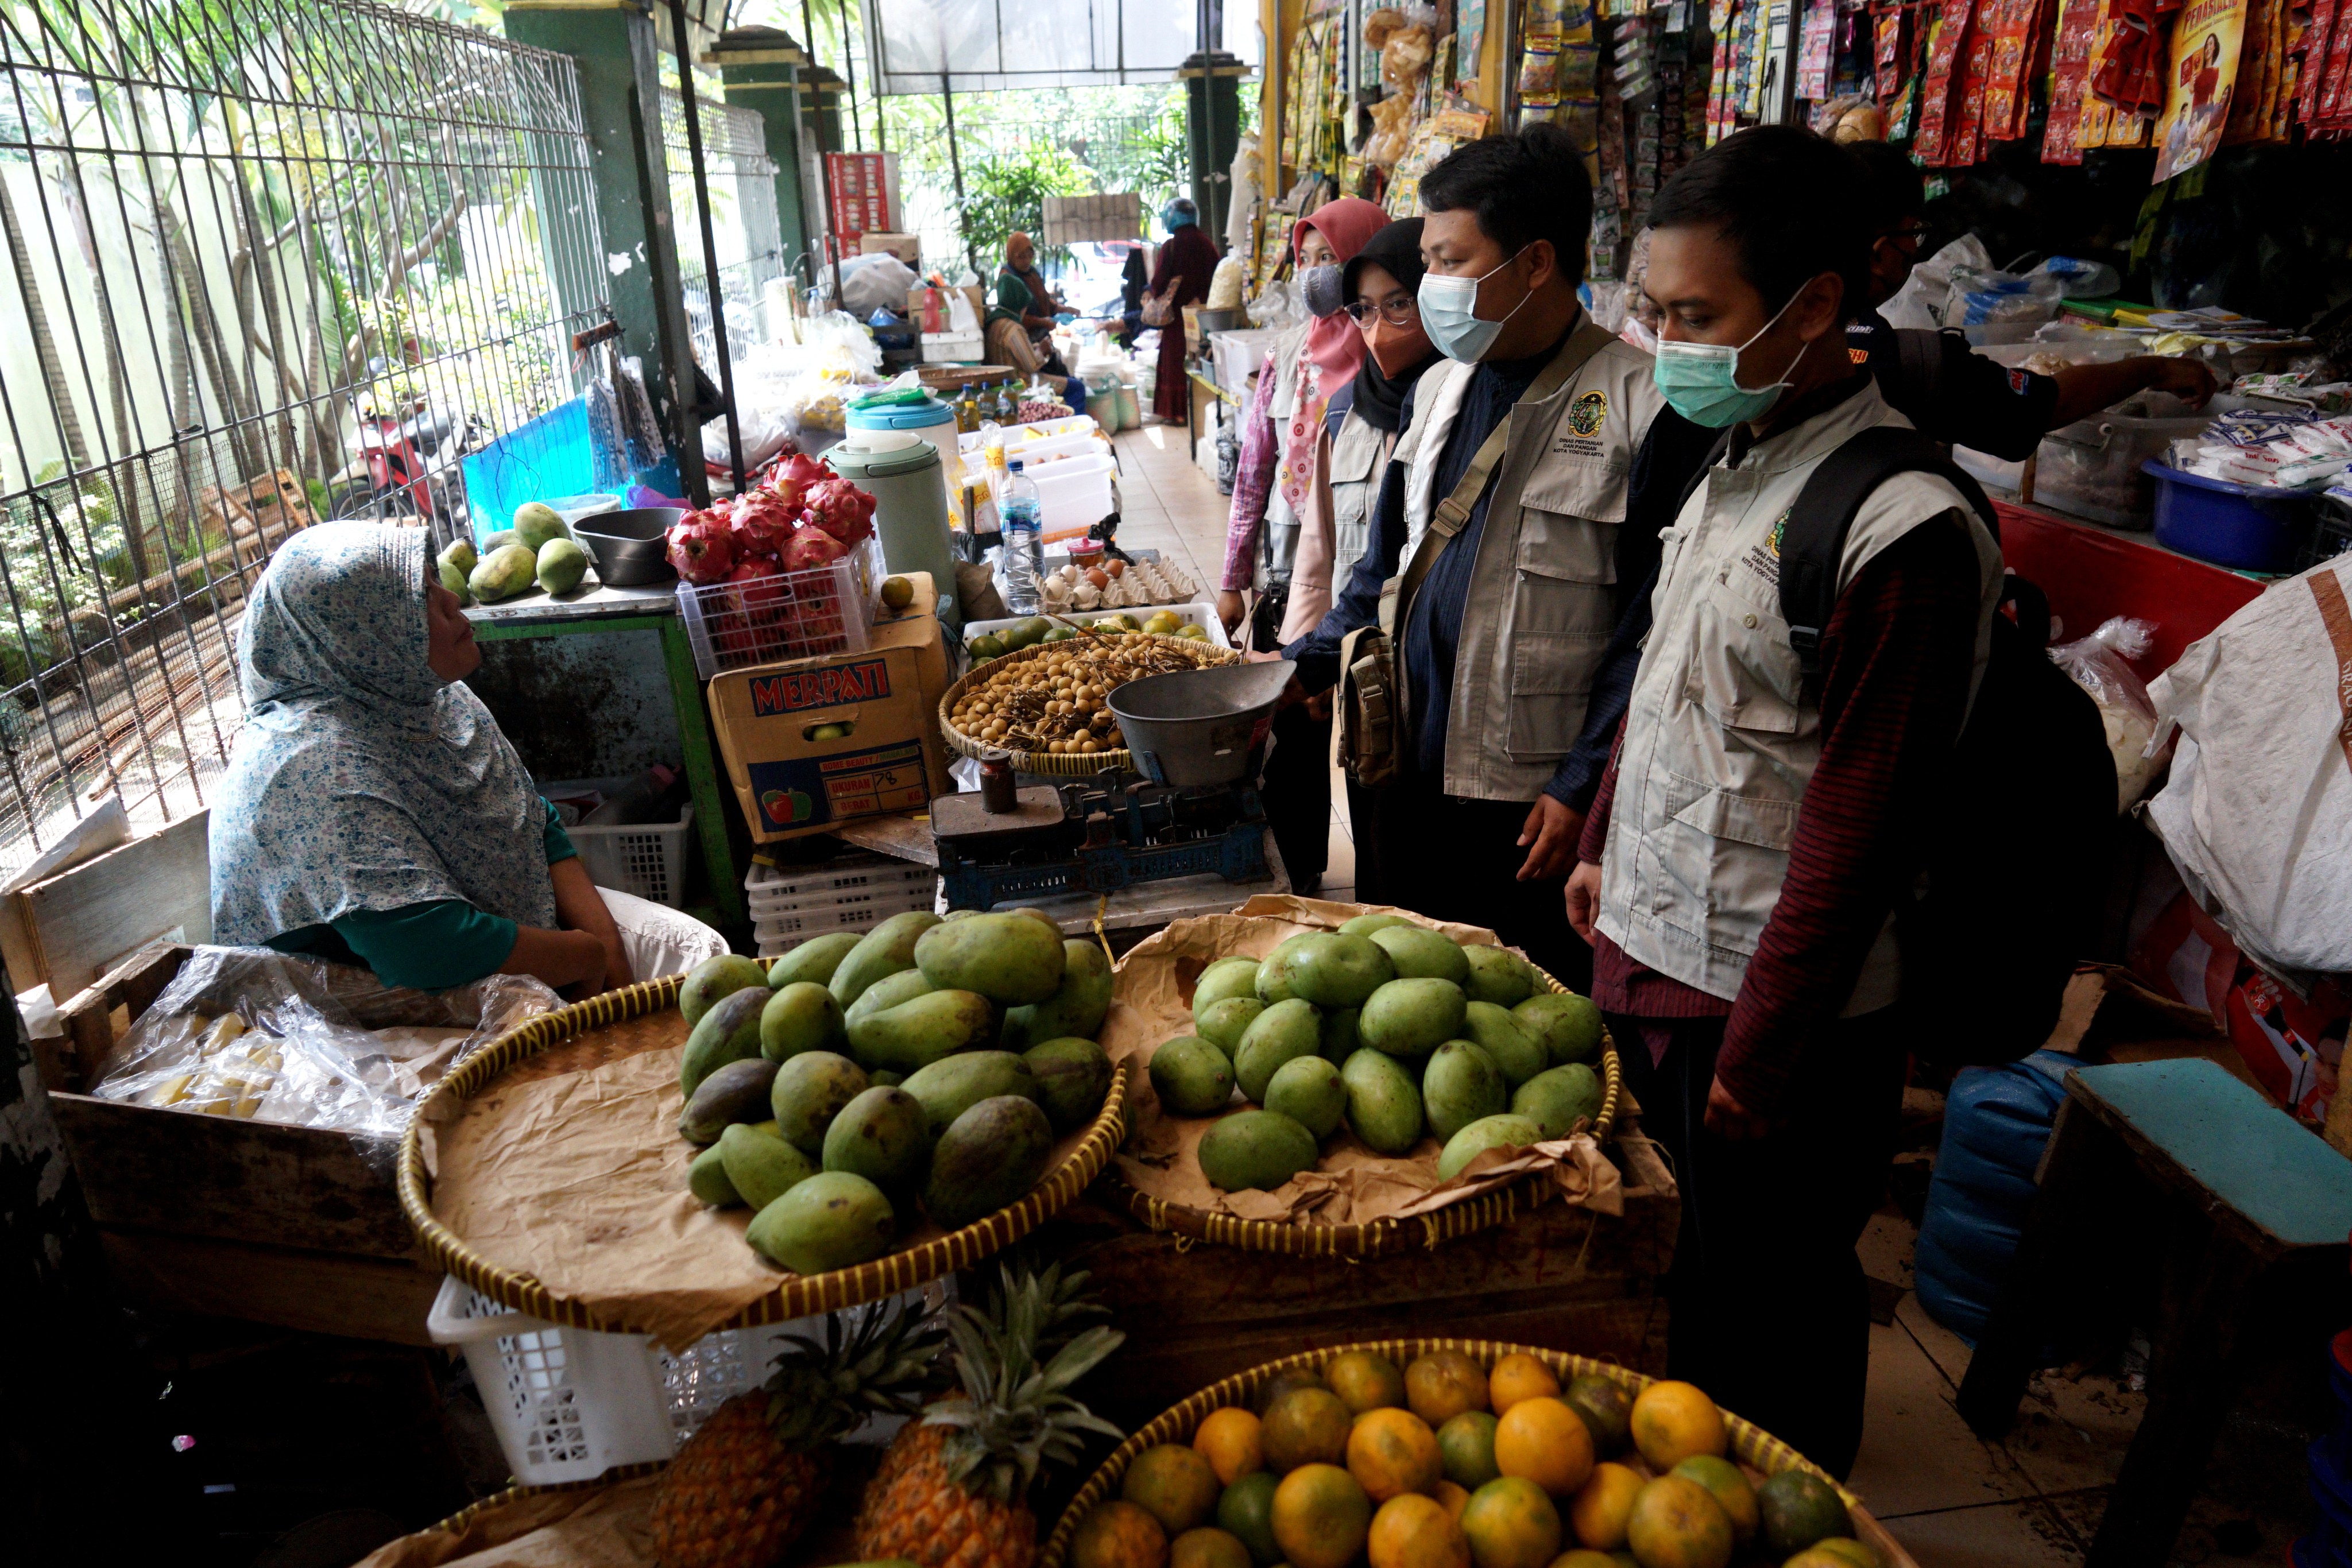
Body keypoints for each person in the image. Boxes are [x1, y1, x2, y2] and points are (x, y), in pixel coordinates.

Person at [1562, 126, 2006, 1478]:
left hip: (1775, 1010)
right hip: (1663, 950)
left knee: (1774, 1304)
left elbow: (1858, 827)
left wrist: (1761, 1051)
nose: (1666, 345)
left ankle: (1795, 1513)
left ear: (1814, 306)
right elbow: (1673, 670)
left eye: (1696, 317)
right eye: (1654, 312)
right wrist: (1601, 839)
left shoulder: (1903, 530)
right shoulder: (1738, 455)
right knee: (1691, 1280)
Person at [1278, 125, 1712, 986]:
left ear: (1536, 262)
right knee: (1403, 989)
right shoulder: (1438, 387)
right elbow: (1385, 566)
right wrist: (1299, 667)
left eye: (1450, 261)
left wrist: (1583, 782)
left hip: (1526, 804)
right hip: (1405, 769)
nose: (1431, 285)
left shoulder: (1646, 410)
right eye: (1428, 262)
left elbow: (1653, 629)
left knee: (1517, 1007)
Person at [209, 524, 729, 995]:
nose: (452, 600)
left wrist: (606, 951)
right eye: (419, 600)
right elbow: (425, 947)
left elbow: (532, 822)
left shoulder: (424, 695)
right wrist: (583, 957)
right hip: (366, 1005)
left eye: (434, 581)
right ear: (356, 637)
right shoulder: (311, 766)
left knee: (702, 960)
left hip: (483, 929)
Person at [1844, 138, 2215, 458]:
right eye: (1913, 232)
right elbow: (2043, 405)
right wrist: (2155, 369)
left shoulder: (1819, 334)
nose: (1915, 247)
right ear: (1879, 253)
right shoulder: (1906, 363)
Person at [1216, 196, 1387, 891]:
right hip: (1288, 576)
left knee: (1369, 736)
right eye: (1306, 258)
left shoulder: (1390, 355)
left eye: (1331, 258)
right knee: (1291, 735)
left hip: (1364, 583)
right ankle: (1301, 872)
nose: (1316, 273)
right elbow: (1254, 470)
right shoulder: (1286, 354)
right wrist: (1232, 577)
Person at [1147, 198, 1222, 423]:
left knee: (1175, 364)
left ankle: (1178, 414)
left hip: (1176, 320)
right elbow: (1216, 279)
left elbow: (1158, 284)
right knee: (1199, 361)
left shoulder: (1170, 247)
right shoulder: (1207, 244)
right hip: (1203, 317)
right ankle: (1197, 412)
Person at [985, 232, 1072, 381]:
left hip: (1033, 347)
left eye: (1029, 256)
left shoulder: (1032, 273)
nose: (1026, 261)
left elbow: (1043, 299)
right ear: (1012, 256)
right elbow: (1031, 365)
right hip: (1024, 369)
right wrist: (1042, 324)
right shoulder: (1008, 279)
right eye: (1021, 257)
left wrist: (1061, 308)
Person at [1118, 243, 1150, 349]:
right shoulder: (1137, 315)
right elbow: (1121, 323)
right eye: (1143, 298)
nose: (1146, 302)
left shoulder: (1162, 319)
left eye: (1149, 299)